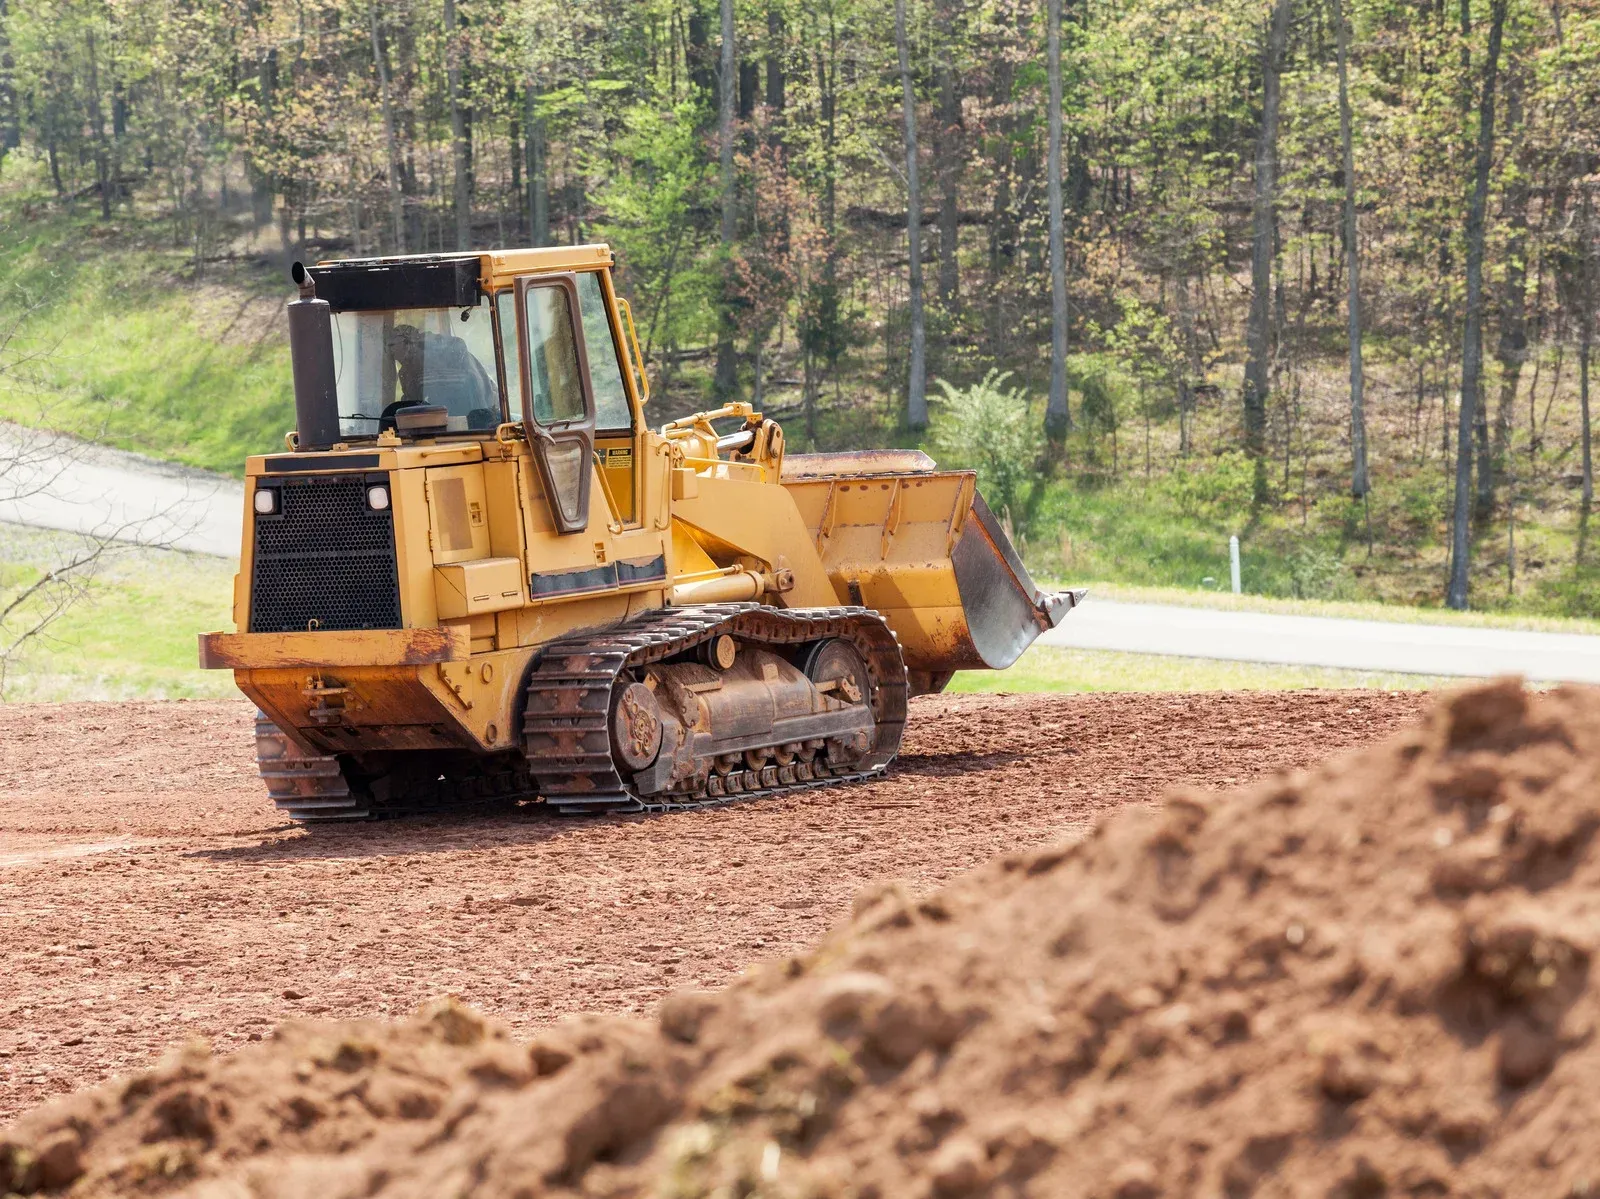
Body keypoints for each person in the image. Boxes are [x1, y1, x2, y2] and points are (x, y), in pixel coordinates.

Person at [384, 321, 499, 429]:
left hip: (469, 424)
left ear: (407, 343)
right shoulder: (407, 371)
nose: (390, 352)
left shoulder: (434, 362)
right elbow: (412, 404)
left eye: (392, 345)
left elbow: (437, 404)